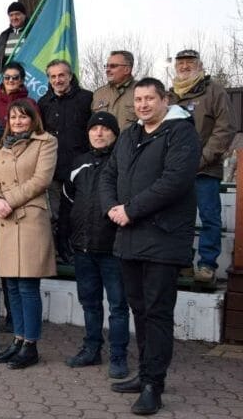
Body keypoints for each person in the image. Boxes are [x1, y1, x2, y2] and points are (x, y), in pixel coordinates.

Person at [101, 78, 201, 415]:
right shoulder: (129, 135)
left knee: (157, 314)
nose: (143, 105)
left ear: (164, 100)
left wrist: (131, 209)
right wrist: (112, 207)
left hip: (163, 238)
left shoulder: (181, 133)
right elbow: (108, 175)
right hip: (129, 238)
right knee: (139, 311)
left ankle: (152, 386)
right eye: (138, 99)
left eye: (149, 99)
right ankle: (144, 373)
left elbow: (174, 182)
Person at [0, 101, 58, 369]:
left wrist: (8, 201)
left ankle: (31, 345)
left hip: (29, 220)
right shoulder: (1, 146)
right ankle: (17, 340)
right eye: (13, 117)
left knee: (27, 286)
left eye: (22, 117)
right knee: (12, 286)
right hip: (4, 219)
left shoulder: (46, 142)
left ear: (33, 119)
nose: (17, 121)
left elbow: (41, 180)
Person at [62, 111, 130, 379]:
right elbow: (68, 204)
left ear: (115, 133)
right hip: (83, 248)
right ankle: (91, 349)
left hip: (113, 248)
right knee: (89, 303)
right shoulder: (79, 164)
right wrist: (65, 237)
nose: (99, 133)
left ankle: (119, 356)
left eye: (105, 129)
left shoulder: (123, 163)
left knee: (117, 306)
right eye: (94, 129)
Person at [170, 49, 238, 285]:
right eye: (181, 63)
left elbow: (225, 128)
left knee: (209, 217)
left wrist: (203, 158)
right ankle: (183, 263)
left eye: (190, 62)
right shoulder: (169, 95)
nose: (185, 67)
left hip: (204, 170)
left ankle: (207, 264)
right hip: (175, 172)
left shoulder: (214, 91)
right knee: (178, 218)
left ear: (200, 65)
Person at [37, 59, 93, 265]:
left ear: (70, 76)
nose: (58, 80)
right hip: (52, 169)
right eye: (53, 76)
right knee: (53, 215)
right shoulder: (43, 103)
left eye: (62, 75)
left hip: (80, 169)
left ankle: (76, 253)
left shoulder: (87, 99)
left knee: (78, 214)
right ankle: (56, 254)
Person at [92, 50, 138, 130]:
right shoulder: (98, 94)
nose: (108, 70)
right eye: (107, 66)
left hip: (132, 142)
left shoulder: (141, 91)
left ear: (127, 69)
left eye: (113, 66)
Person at [0, 1, 27, 84]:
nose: (14, 17)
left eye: (17, 14)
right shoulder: (4, 35)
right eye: (11, 15)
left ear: (24, 15)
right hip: (6, 82)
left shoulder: (32, 32)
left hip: (28, 81)